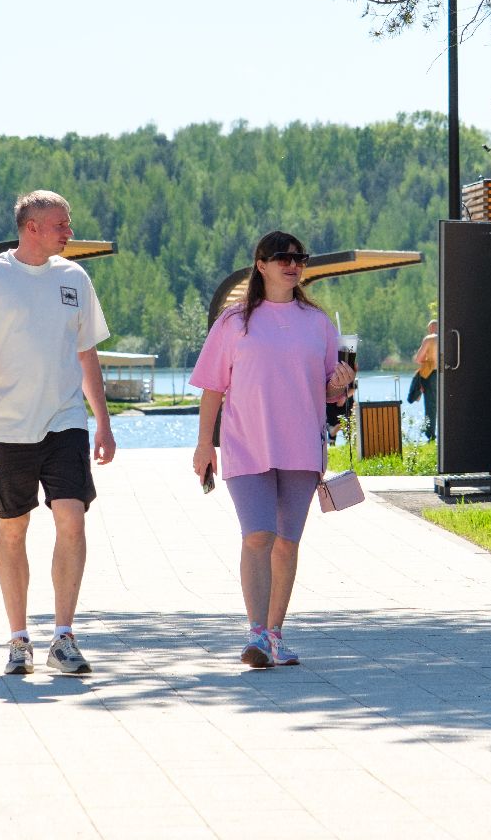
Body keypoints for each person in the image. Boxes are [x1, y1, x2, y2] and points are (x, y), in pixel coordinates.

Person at [0, 190, 117, 676]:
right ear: (32, 228)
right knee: (13, 529)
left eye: (68, 222)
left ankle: (64, 637)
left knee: (72, 519)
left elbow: (87, 354)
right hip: (6, 425)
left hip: (65, 422)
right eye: (61, 224)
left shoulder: (74, 278)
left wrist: (102, 421)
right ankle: (19, 638)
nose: (69, 231)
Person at [191, 230, 354, 668]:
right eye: (282, 256)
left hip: (302, 447)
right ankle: (256, 635)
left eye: (300, 257)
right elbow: (212, 388)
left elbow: (328, 390)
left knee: (287, 543)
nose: (293, 264)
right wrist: (205, 444)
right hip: (246, 445)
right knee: (257, 535)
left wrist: (339, 387)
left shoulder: (317, 322)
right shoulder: (233, 322)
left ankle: (276, 634)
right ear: (260, 265)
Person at [413, 317, 438, 439]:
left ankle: (430, 434)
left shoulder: (429, 339)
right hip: (446, 373)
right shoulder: (446, 338)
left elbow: (418, 359)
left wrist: (427, 360)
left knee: (430, 404)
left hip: (431, 373)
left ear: (431, 328)